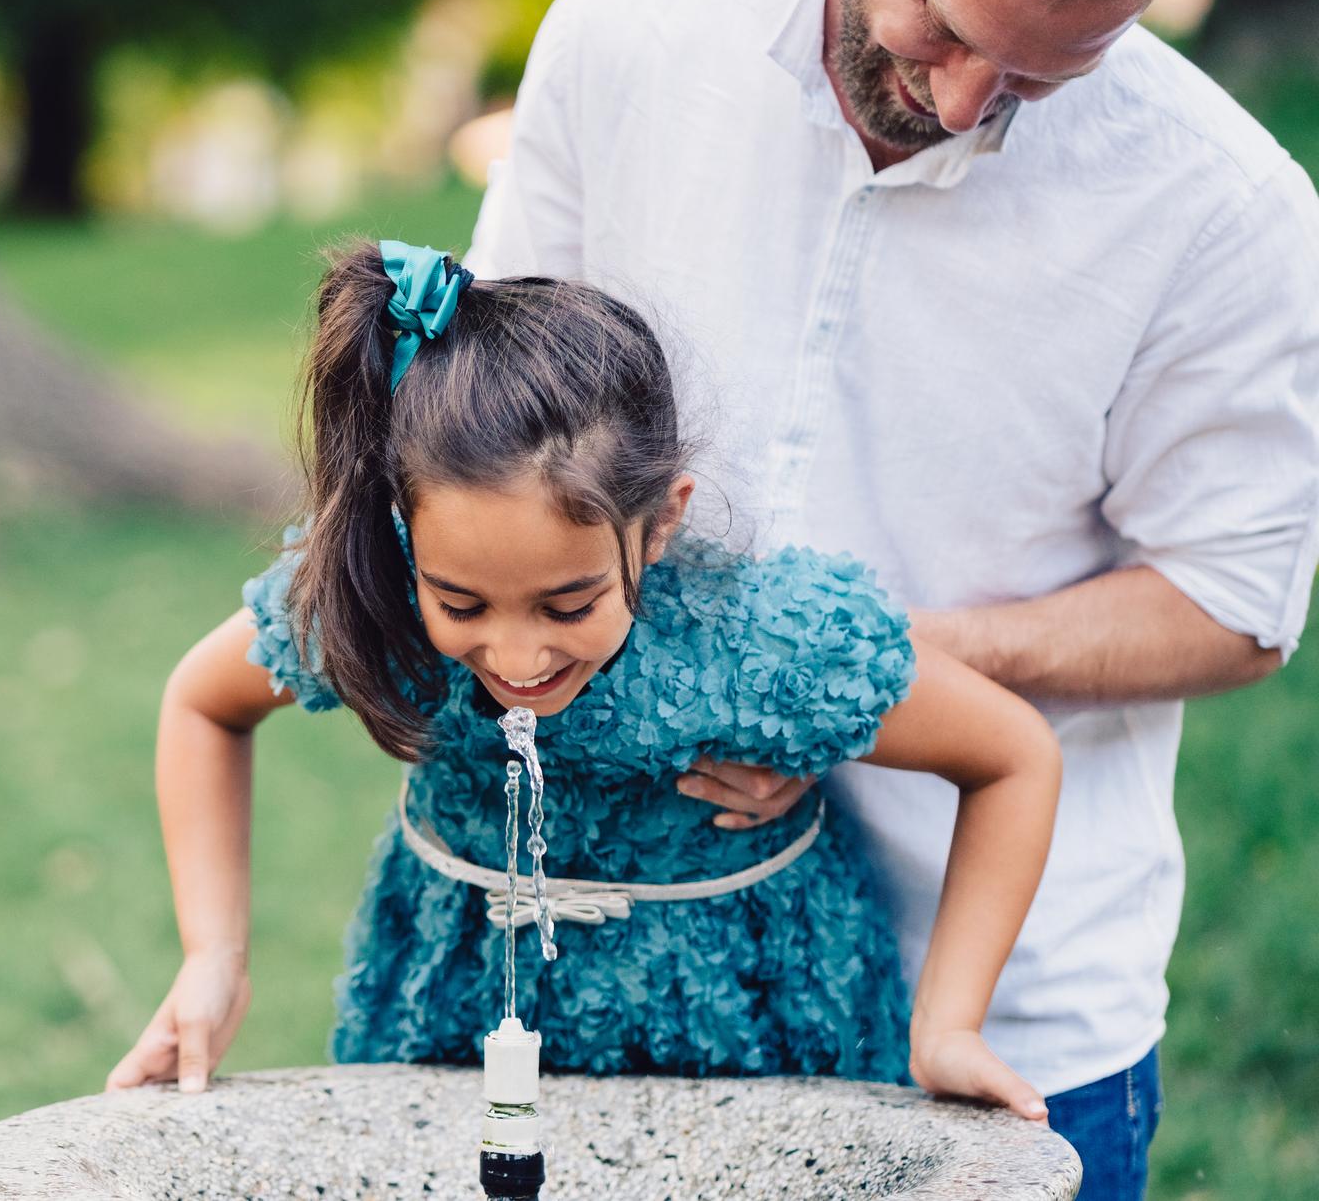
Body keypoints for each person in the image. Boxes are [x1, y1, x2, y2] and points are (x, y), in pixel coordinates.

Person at [462, 0, 1319, 1194]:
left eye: (1041, 77)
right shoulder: (628, 23)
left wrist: (847, 683)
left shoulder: (1226, 208)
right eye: (938, 27)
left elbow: (1233, 608)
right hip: (632, 973)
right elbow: (487, 423)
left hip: (1000, 1022)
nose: (964, 102)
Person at [104, 240, 1063, 1122]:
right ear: (408, 532)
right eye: (464, 605)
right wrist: (213, 957)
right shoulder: (378, 597)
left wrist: (948, 1024)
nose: (517, 662)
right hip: (455, 1027)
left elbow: (1012, 755)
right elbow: (204, 703)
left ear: (661, 523)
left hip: (749, 1044)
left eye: (569, 606)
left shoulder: (757, 641)